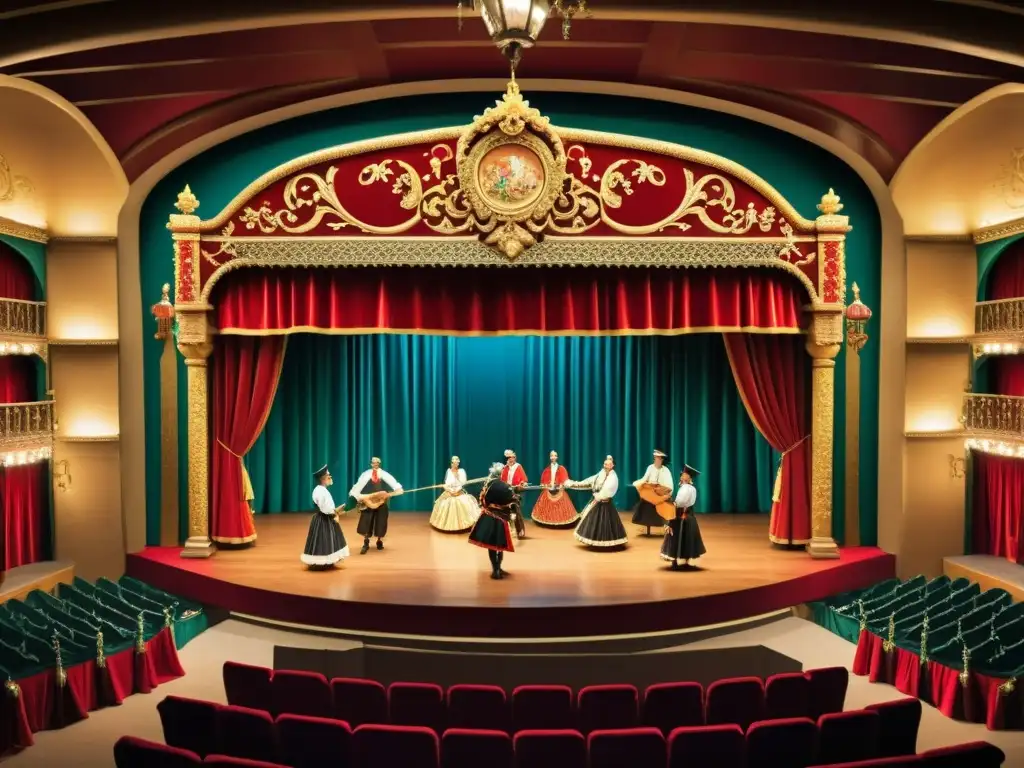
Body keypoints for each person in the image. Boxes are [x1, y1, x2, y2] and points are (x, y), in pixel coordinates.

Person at [469, 463, 516, 579]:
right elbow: (511, 501)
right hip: (501, 519)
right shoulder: (506, 487)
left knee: (492, 546)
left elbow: (483, 500)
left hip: (489, 517)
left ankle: (495, 569)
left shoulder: (488, 486)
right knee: (500, 545)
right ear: (500, 474)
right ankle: (498, 568)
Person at [569, 455, 627, 549]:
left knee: (605, 523)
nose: (606, 466)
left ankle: (605, 542)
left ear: (612, 466)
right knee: (593, 521)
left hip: (605, 503)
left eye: (608, 464)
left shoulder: (613, 477)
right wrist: (573, 484)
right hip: (597, 500)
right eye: (605, 464)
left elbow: (608, 490)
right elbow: (590, 480)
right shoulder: (601, 474)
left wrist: (598, 496)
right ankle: (594, 540)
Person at [350, 456, 403, 555]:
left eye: (377, 462)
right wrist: (357, 496)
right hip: (368, 502)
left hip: (381, 502)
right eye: (373, 462)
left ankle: (379, 540)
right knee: (366, 521)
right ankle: (366, 542)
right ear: (371, 463)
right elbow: (357, 487)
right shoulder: (365, 475)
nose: (375, 464)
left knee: (381, 521)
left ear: (379, 464)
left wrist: (393, 492)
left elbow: (395, 485)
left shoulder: (384, 474)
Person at [301, 465, 350, 569]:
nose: (330, 478)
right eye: (328, 477)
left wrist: (336, 511)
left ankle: (328, 560)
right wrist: (335, 512)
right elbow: (325, 509)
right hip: (324, 518)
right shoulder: (320, 491)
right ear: (323, 479)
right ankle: (322, 561)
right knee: (324, 539)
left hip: (324, 517)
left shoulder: (321, 490)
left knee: (328, 538)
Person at [661, 464, 706, 570]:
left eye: (685, 474)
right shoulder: (687, 488)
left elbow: (680, 502)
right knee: (685, 536)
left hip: (681, 514)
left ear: (689, 477)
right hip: (687, 514)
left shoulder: (687, 488)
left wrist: (672, 504)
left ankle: (676, 560)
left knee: (677, 535)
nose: (682, 476)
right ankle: (681, 560)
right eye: (683, 474)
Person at [429, 456, 481, 533]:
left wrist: (457, 490)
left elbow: (463, 483)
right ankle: (447, 526)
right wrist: (450, 491)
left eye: (456, 460)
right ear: (451, 462)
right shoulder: (448, 471)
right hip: (450, 492)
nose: (455, 462)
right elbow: (446, 483)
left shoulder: (462, 471)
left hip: (459, 492)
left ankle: (463, 526)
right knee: (444, 504)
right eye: (453, 461)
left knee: (464, 504)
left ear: (459, 462)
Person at [530, 450, 578, 527]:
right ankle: (547, 521)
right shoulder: (547, 470)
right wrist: (546, 485)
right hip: (549, 490)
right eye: (552, 455)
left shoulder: (561, 468)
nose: (553, 457)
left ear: (557, 457)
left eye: (555, 455)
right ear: (550, 457)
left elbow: (565, 479)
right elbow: (543, 481)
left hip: (559, 489)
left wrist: (560, 485)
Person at [632, 449, 674, 535]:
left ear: (661, 459)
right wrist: (637, 483)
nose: (655, 459)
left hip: (660, 492)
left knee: (665, 504)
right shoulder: (650, 467)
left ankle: (666, 525)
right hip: (651, 491)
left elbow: (669, 485)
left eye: (657, 458)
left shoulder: (665, 470)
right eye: (654, 458)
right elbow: (644, 479)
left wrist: (666, 493)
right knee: (645, 492)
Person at [500, 449, 528, 538]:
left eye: (512, 457)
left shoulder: (518, 467)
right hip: (506, 492)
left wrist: (522, 484)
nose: (510, 459)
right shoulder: (505, 468)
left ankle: (520, 531)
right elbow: (501, 480)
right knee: (504, 512)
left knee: (516, 511)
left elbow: (524, 480)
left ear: (515, 458)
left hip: (515, 492)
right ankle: (505, 531)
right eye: (508, 458)